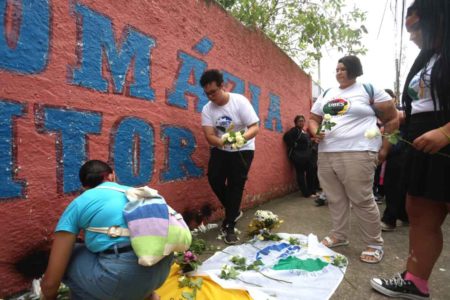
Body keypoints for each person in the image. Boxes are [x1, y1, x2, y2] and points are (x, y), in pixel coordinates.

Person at [371, 1, 450, 299]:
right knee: (419, 211)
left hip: (444, 139)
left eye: (415, 27)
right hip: (422, 140)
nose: (412, 35)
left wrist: (446, 131)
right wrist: (402, 117)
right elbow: (424, 102)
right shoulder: (429, 58)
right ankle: (415, 282)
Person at [309, 55, 398, 264]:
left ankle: (374, 243)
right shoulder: (328, 93)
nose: (338, 72)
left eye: (343, 69)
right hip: (326, 151)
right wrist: (315, 132)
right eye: (337, 69)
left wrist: (384, 150)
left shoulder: (368, 89)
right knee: (335, 198)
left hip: (358, 151)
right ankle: (339, 235)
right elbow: (314, 119)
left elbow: (393, 118)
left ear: (354, 70)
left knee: (361, 199)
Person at [40, 160, 172, 300]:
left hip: (122, 279)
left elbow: (51, 283)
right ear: (112, 176)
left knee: (67, 256)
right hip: (162, 272)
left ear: (85, 187)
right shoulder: (138, 193)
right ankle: (145, 294)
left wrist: (48, 295)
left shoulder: (80, 202)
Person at [200, 69, 259, 245]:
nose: (210, 96)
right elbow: (209, 135)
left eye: (213, 92)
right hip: (221, 148)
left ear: (222, 86)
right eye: (207, 93)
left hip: (244, 149)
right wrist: (223, 142)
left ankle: (230, 225)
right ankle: (233, 209)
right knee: (214, 179)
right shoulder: (207, 109)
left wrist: (241, 139)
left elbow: (254, 127)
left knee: (235, 186)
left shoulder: (239, 101)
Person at [380, 89, 409, 231]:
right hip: (390, 154)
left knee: (394, 185)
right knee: (398, 186)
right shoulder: (381, 116)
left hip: (402, 152)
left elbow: (401, 118)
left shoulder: (402, 111)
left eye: (389, 98)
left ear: (395, 99)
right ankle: (404, 216)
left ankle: (389, 219)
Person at [283, 115, 317, 198]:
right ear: (296, 122)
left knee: (310, 173)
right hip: (298, 157)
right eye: (299, 121)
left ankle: (311, 191)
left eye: (303, 121)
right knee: (300, 174)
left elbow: (306, 142)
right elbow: (286, 137)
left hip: (307, 157)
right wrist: (295, 145)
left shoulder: (304, 131)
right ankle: (306, 193)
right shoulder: (295, 130)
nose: (301, 122)